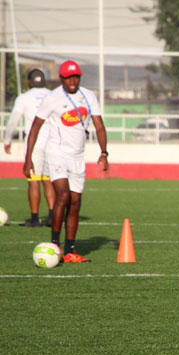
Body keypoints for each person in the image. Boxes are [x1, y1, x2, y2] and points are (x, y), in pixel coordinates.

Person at [24, 60, 109, 263]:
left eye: (76, 76)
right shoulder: (52, 98)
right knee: (62, 195)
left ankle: (70, 250)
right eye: (69, 77)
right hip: (57, 152)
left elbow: (99, 126)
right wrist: (28, 159)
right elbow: (35, 127)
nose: (73, 80)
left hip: (78, 156)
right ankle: (55, 245)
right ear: (61, 78)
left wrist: (104, 152)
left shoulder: (88, 96)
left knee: (76, 202)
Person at [4, 69, 55, 227]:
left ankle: (34, 218)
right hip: (52, 142)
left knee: (34, 180)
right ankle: (53, 217)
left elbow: (14, 120)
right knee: (48, 180)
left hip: (34, 143)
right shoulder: (53, 95)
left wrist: (7, 139)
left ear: (28, 81)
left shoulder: (24, 97)